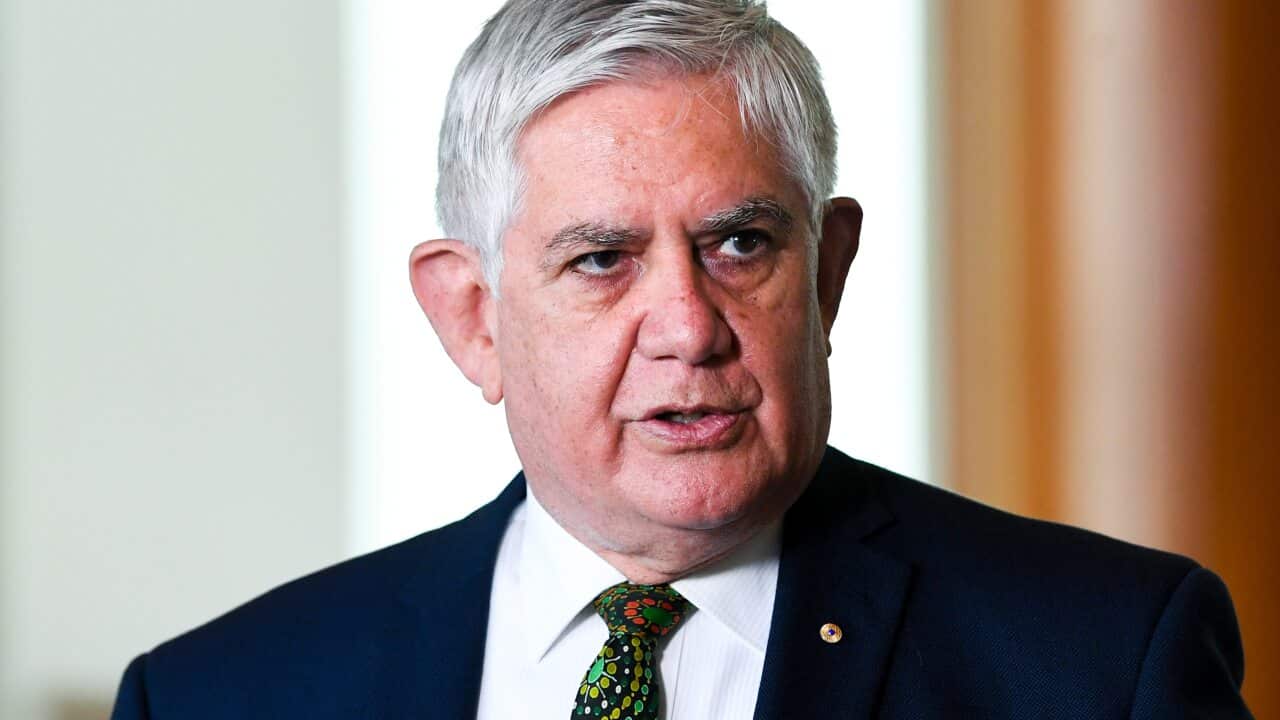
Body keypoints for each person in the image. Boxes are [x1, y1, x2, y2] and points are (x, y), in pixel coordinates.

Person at [110, 1, 1252, 718]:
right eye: (602, 260)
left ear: (826, 272)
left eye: (739, 243)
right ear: (471, 316)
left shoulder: (1105, 663)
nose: (688, 325)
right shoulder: (225, 693)